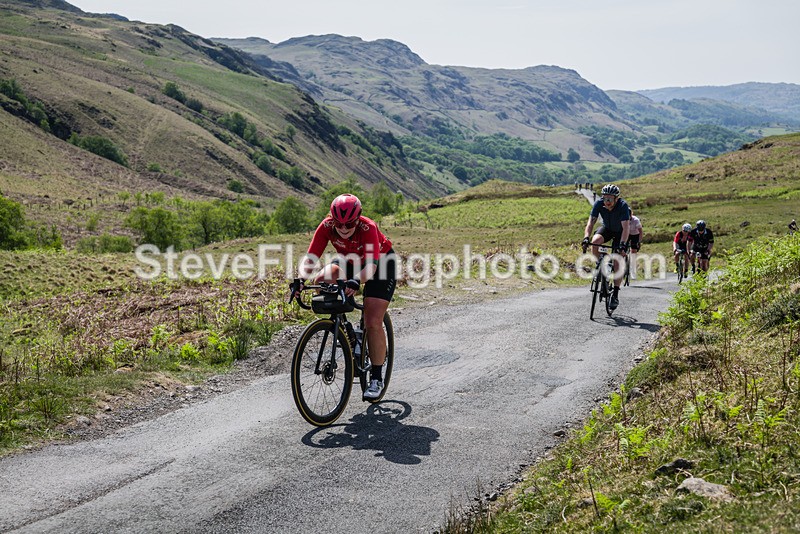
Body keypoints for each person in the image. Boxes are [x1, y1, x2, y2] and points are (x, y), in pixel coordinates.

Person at [294, 193, 397, 400]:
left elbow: (371, 267)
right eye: (338, 224)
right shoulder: (326, 227)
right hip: (349, 261)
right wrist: (299, 280)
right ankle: (348, 331)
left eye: (348, 224)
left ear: (357, 219)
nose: (342, 229)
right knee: (323, 279)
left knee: (372, 320)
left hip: (380, 264)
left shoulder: (368, 228)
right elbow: (312, 256)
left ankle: (376, 378)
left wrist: (356, 281)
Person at [582, 184, 630, 310]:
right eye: (605, 198)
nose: (607, 202)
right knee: (595, 240)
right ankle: (601, 265)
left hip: (620, 233)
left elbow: (626, 228)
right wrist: (586, 237)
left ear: (616, 199)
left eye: (610, 199)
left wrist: (623, 245)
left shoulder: (623, 206)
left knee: (617, 261)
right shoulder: (599, 204)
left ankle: (615, 294)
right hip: (608, 229)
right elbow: (591, 222)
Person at [627, 209, 643, 280]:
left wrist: (639, 241)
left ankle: (632, 270)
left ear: (631, 214)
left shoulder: (636, 220)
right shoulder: (624, 218)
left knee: (633, 251)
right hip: (627, 234)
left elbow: (640, 231)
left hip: (635, 235)